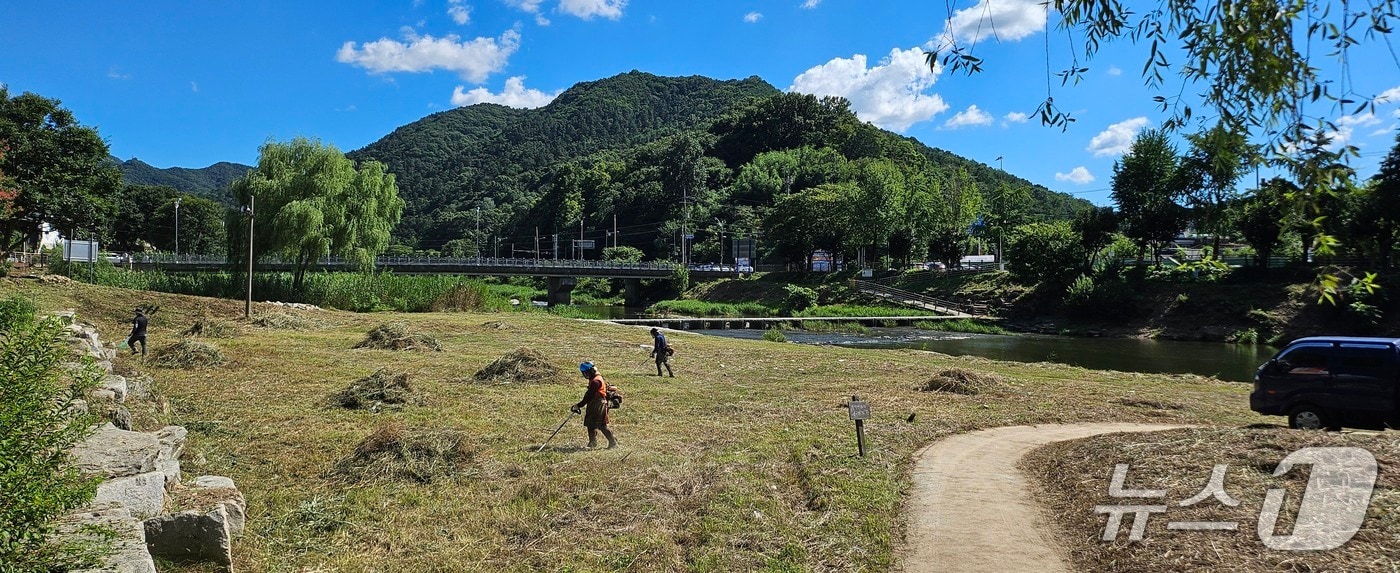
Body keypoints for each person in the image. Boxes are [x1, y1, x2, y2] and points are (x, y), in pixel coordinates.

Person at [571, 362, 617, 449]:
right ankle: (592, 443)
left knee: (602, 425)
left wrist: (579, 405)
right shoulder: (595, 378)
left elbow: (589, 395)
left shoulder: (596, 381)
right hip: (594, 404)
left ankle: (613, 443)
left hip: (599, 405)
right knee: (590, 424)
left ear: (590, 371)